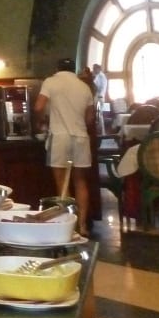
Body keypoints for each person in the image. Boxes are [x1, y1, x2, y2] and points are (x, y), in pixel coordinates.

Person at [33, 57, 97, 231]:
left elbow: (39, 107)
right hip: (81, 137)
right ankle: (82, 225)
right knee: (80, 182)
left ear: (57, 68)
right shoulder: (84, 87)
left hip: (60, 137)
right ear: (73, 69)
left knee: (62, 184)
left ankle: (69, 226)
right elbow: (90, 118)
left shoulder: (51, 82)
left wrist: (42, 121)